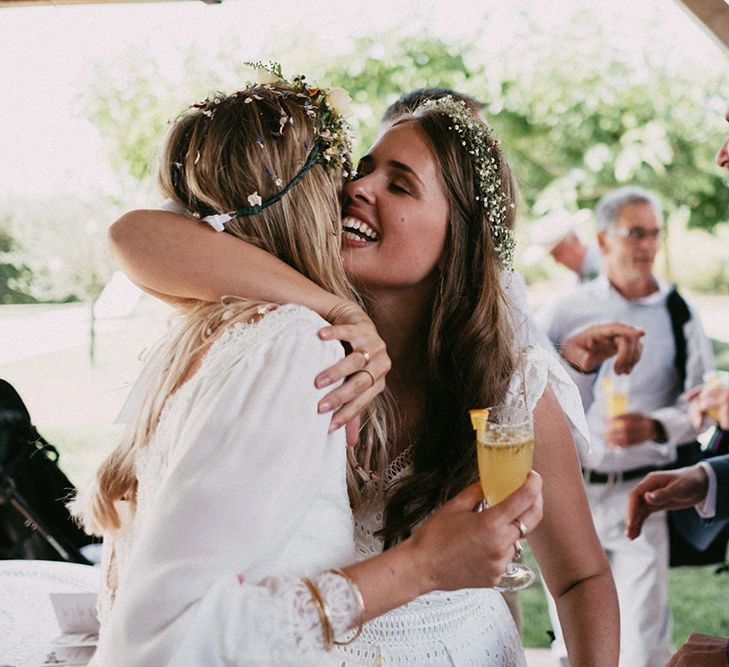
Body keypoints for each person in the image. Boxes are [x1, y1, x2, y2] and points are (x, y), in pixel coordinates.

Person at [109, 92, 620, 664]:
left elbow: (581, 578)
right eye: (362, 170)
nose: (358, 188)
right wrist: (336, 309)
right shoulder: (301, 334)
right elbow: (135, 235)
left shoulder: (511, 384)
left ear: (460, 236)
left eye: (399, 185)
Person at [540, 185, 715, 667]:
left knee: (642, 644)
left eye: (654, 234)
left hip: (643, 496)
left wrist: (656, 427)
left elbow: (701, 405)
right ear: (602, 238)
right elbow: (528, 387)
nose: (648, 246)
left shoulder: (678, 314)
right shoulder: (566, 310)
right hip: (571, 493)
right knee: (571, 642)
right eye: (635, 233)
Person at [627, 115, 729, 667]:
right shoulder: (570, 310)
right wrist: (712, 475)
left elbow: (699, 394)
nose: (722, 155)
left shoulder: (678, 309)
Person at [524, 209, 601, 282]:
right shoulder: (573, 279)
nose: (557, 261)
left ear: (575, 241)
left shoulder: (606, 264)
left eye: (557, 254)